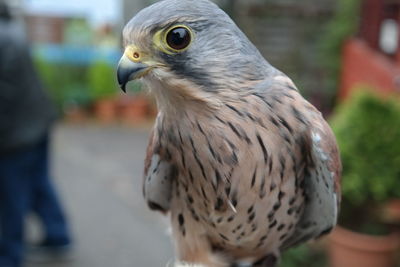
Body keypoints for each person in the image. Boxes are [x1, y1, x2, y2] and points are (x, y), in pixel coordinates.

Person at [0, 2, 72, 267]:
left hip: (15, 132)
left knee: (11, 195)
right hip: (38, 120)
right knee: (38, 181)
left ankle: (9, 256)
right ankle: (58, 235)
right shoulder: (10, 29)